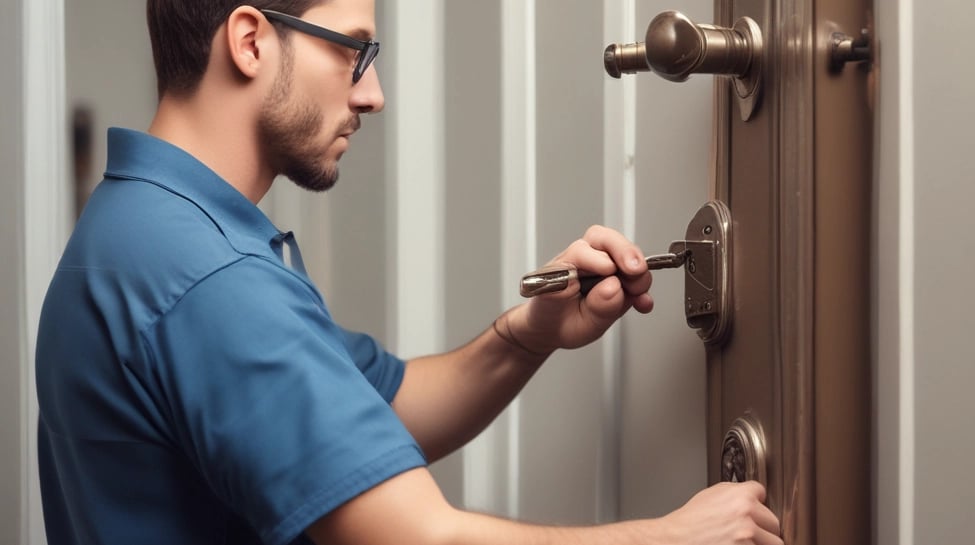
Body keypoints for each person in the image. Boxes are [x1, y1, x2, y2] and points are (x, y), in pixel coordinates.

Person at [35, 1, 783, 544]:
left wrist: (526, 335)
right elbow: (419, 537)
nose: (372, 94)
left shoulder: (136, 228)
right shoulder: (208, 277)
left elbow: (377, 412)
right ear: (251, 40)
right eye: (353, 50)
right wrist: (673, 536)